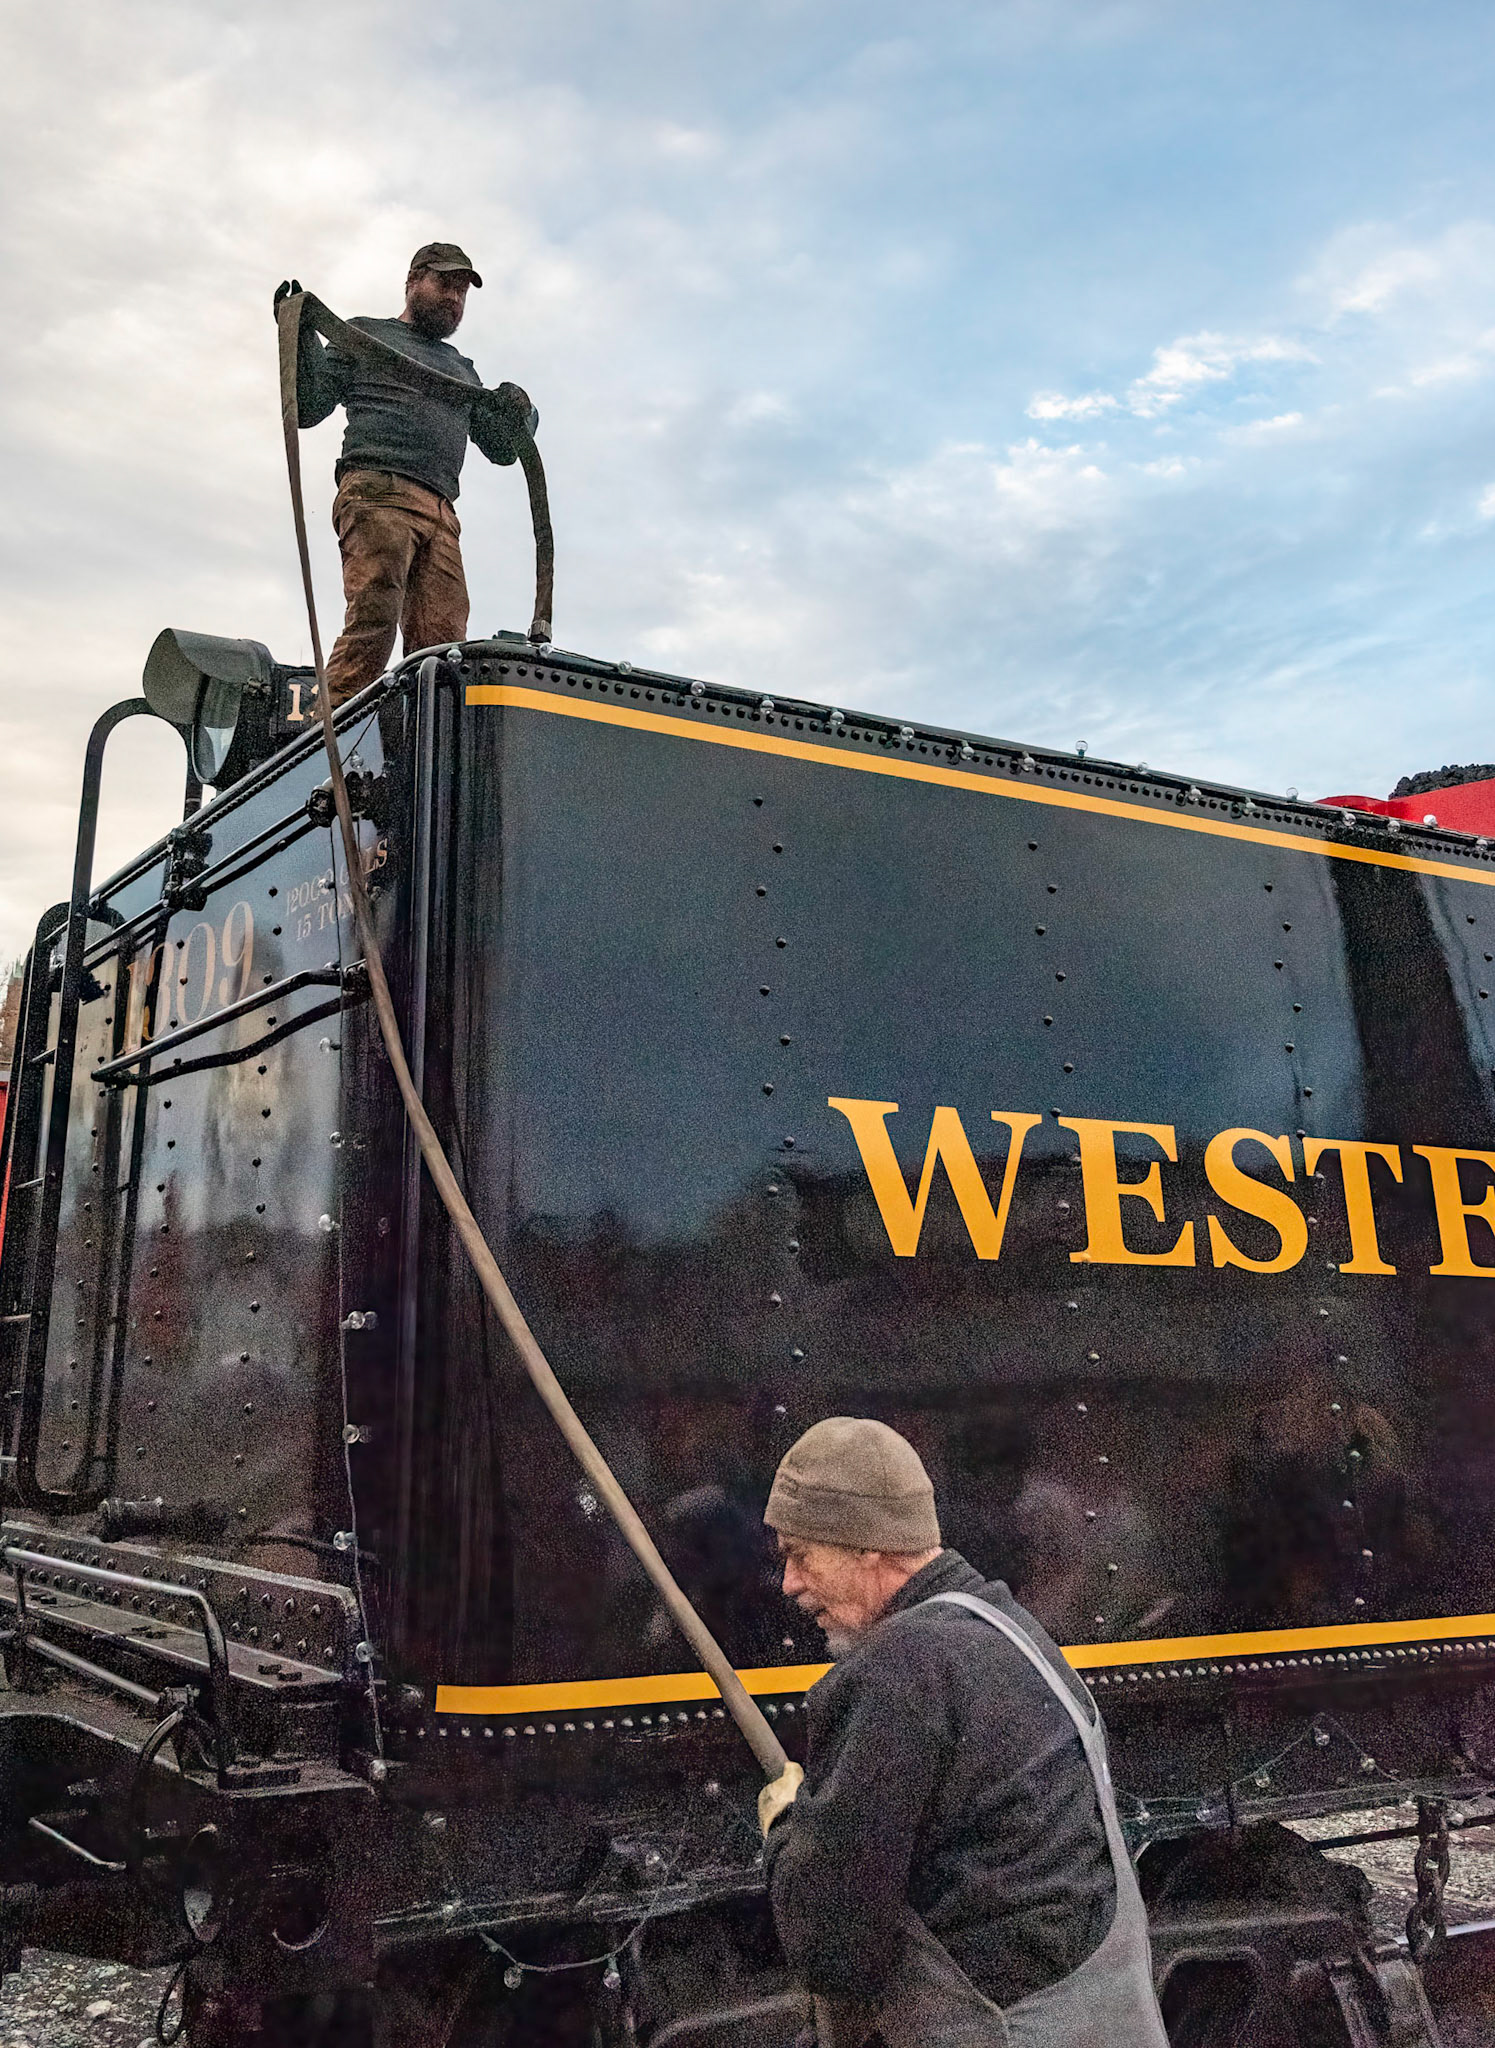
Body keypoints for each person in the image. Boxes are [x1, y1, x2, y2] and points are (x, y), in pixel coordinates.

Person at [759, 1417, 1167, 2047]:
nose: (790, 1582)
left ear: (866, 1546)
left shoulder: (897, 1670)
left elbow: (833, 1947)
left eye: (801, 1554)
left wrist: (786, 1828)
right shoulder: (1014, 1632)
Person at [276, 243, 537, 706]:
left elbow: (500, 449)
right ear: (413, 280)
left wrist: (522, 414)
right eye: (445, 283)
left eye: (461, 291)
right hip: (379, 492)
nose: (454, 298)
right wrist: (299, 336)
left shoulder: (461, 371)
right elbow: (310, 406)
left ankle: (415, 746)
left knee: (442, 648)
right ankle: (330, 739)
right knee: (373, 621)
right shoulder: (366, 335)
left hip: (442, 515)